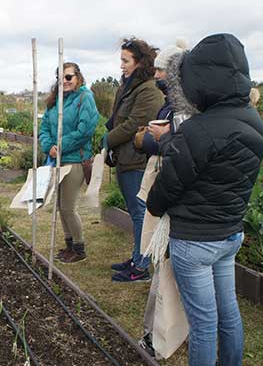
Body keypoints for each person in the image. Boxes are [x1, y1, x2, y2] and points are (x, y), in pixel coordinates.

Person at [147, 33, 263, 366]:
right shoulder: (256, 124)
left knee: (202, 324)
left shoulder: (199, 130)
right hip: (230, 234)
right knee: (227, 312)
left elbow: (168, 186)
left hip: (195, 241)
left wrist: (154, 206)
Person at [136, 38, 191, 356]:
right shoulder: (180, 101)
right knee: (167, 269)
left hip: (179, 202)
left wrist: (155, 138)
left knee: (168, 271)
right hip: (202, 212)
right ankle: (160, 334)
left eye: (159, 70)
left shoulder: (184, 106)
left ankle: (161, 339)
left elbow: (181, 154)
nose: (155, 76)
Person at [103, 38, 164, 282]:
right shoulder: (131, 86)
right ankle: (136, 257)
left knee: (140, 214)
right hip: (126, 158)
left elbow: (132, 125)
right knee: (135, 212)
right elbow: (118, 117)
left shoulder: (148, 90)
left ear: (140, 62)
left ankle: (141, 267)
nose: (122, 66)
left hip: (136, 160)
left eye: (125, 61)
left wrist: (107, 139)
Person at [39, 62, 100, 263]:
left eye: (68, 77)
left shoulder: (85, 98)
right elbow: (44, 128)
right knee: (59, 206)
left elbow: (84, 131)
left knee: (68, 207)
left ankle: (79, 248)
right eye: (61, 77)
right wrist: (49, 147)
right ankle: (69, 246)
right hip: (58, 160)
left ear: (78, 77)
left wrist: (60, 145)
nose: (64, 81)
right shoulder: (55, 102)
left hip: (75, 161)